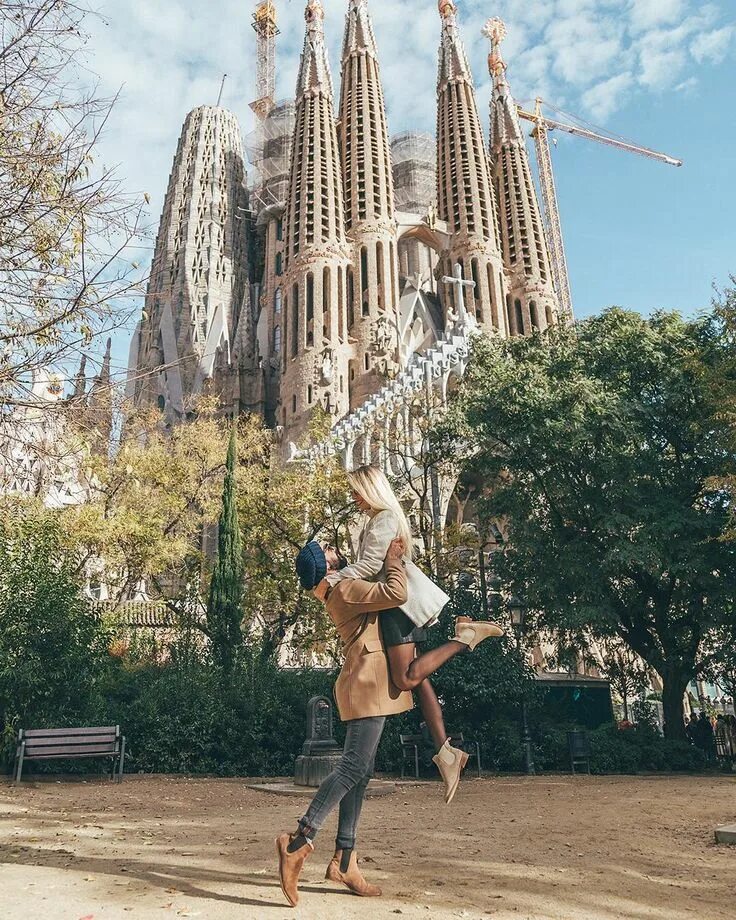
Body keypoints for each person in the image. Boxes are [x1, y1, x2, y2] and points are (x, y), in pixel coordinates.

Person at [276, 536, 502, 908]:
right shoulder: (344, 587)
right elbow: (395, 593)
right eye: (329, 551)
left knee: (360, 773)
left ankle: (345, 861)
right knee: (352, 768)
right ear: (327, 565)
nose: (335, 549)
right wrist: (394, 559)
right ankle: (298, 841)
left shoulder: (337, 587)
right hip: (368, 683)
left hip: (368, 681)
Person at [315, 464, 504, 802]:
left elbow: (373, 567)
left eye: (357, 490)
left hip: (396, 609)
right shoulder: (378, 519)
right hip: (395, 606)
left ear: (370, 489)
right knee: (420, 681)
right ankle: (446, 752)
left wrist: (336, 578)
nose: (354, 497)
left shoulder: (384, 517)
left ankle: (465, 637)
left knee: (406, 678)